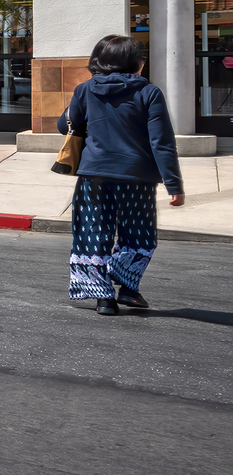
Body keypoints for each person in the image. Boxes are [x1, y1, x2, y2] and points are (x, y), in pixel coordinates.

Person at [57, 34, 183, 315]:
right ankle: (127, 288)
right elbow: (161, 142)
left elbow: (62, 125)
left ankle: (103, 299)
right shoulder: (149, 93)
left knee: (93, 232)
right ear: (135, 63)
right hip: (137, 178)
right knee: (139, 235)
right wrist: (174, 184)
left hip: (94, 176)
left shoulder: (85, 89)